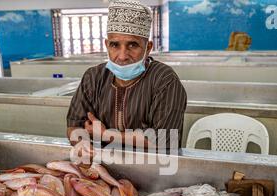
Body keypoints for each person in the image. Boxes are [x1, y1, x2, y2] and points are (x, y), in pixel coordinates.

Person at [67, 0, 187, 160]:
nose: (122, 56)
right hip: (102, 162)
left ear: (148, 47)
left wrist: (106, 134)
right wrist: (82, 144)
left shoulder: (164, 79)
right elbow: (74, 126)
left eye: (132, 45)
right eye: (115, 45)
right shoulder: (93, 77)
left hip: (151, 166)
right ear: (106, 45)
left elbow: (165, 139)